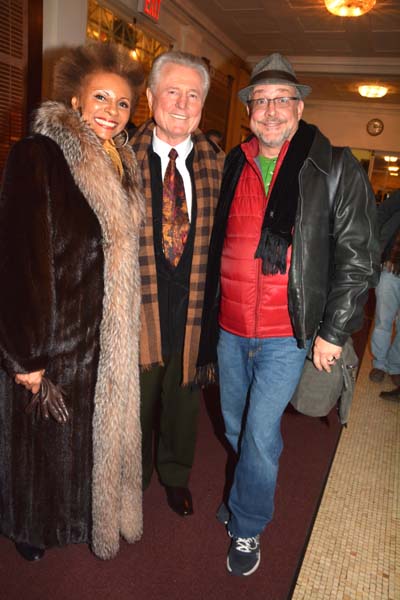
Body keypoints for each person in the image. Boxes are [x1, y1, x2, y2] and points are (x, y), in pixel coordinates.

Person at [199, 52, 379, 576]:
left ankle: (249, 526)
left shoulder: (334, 165)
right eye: (261, 100)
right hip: (230, 328)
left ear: (300, 108)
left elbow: (358, 256)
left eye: (282, 100)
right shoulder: (234, 162)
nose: (271, 110)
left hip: (288, 332)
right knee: (235, 429)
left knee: (258, 434)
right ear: (249, 109)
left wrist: (333, 330)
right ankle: (244, 494)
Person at [0, 42, 145, 561]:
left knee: (83, 447)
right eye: (100, 98)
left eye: (123, 103)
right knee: (37, 451)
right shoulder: (39, 155)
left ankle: (84, 518)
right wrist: (27, 360)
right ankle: (27, 527)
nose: (111, 110)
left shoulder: (122, 165)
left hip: (101, 340)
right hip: (51, 339)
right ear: (77, 101)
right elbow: (20, 261)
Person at [130, 51, 224, 517]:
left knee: (183, 401)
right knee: (137, 401)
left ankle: (174, 474)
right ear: (150, 98)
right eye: (173, 91)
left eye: (194, 95)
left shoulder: (219, 166)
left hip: (191, 307)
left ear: (203, 106)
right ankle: (132, 476)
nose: (183, 104)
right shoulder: (121, 158)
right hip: (137, 306)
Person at [369, 189, 400, 386]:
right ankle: (379, 364)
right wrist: (378, 245)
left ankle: (395, 365)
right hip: (392, 266)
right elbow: (381, 214)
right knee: (384, 319)